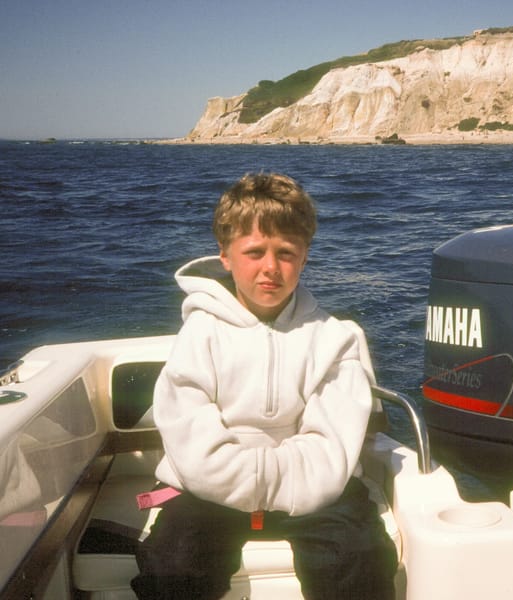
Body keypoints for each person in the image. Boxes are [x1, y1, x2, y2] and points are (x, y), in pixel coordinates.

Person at [131, 173, 397, 599]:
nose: (271, 267)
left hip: (314, 491)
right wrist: (250, 484)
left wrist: (268, 485)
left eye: (286, 253)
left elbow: (331, 445)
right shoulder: (199, 335)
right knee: (172, 566)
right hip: (209, 491)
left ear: (305, 257)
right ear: (225, 255)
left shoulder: (336, 338)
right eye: (254, 252)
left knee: (359, 557)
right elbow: (192, 441)